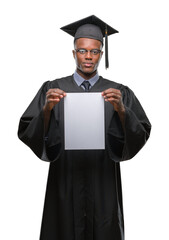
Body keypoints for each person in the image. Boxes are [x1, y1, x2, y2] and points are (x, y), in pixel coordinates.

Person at [18, 15, 151, 240]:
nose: (88, 56)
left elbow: (141, 132)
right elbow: (28, 130)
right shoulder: (53, 89)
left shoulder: (119, 92)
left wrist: (121, 110)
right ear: (73, 53)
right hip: (64, 182)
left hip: (103, 183)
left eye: (94, 51)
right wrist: (47, 110)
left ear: (101, 53)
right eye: (82, 50)